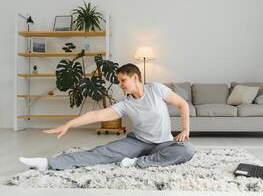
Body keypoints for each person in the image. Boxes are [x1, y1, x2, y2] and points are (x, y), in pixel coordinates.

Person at [19, 63, 195, 171]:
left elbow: (182, 104)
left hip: (163, 142)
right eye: (119, 81)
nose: (120, 85)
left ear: (135, 78)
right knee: (100, 153)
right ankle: (47, 163)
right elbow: (96, 115)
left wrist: (186, 129)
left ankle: (138, 163)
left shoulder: (156, 89)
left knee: (187, 149)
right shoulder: (126, 104)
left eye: (123, 80)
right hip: (138, 142)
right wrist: (68, 125)